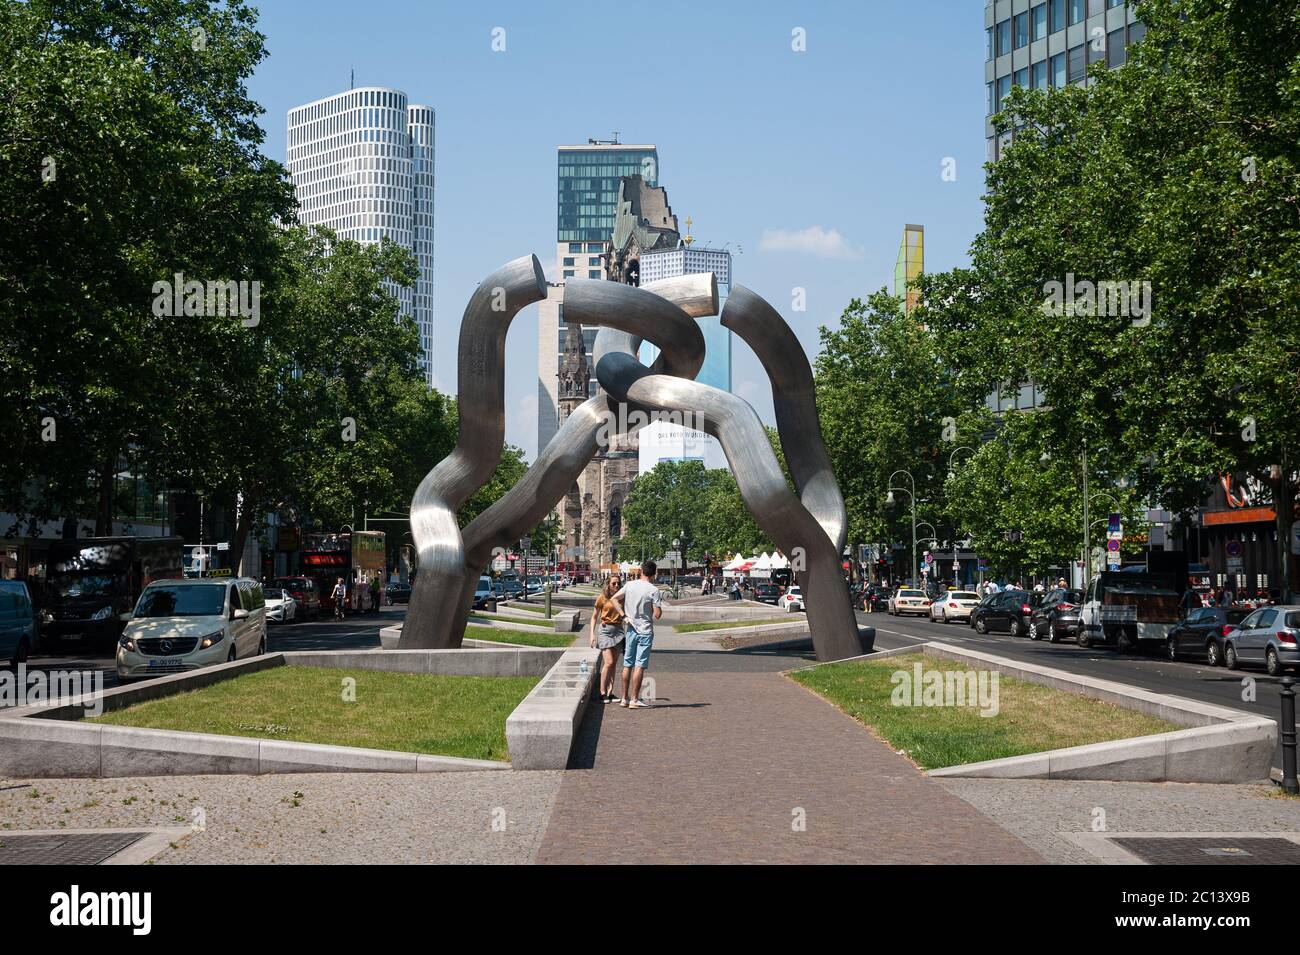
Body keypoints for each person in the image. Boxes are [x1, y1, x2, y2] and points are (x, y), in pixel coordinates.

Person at [610, 560, 663, 709]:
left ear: (641, 571)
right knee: (639, 665)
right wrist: (656, 607)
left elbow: (614, 599)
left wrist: (623, 615)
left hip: (631, 628)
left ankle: (623, 698)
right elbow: (657, 614)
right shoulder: (653, 590)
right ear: (653, 573)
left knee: (627, 663)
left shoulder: (629, 585)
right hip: (645, 630)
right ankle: (634, 699)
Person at [588, 574, 626, 704]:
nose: (616, 586)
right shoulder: (602, 598)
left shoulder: (622, 597)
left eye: (618, 584)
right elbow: (593, 617)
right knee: (608, 662)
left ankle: (610, 692)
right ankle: (602, 693)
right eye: (614, 583)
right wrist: (592, 635)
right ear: (608, 584)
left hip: (618, 631)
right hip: (605, 631)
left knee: (613, 664)